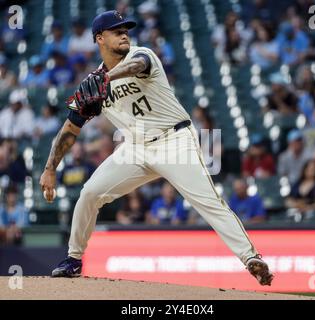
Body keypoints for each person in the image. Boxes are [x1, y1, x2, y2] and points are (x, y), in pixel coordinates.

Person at [40, 10, 273, 285]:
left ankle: (251, 257)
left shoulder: (142, 54)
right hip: (134, 147)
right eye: (117, 31)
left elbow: (135, 66)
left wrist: (108, 78)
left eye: (126, 29)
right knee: (89, 192)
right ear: (100, 38)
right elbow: (70, 129)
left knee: (208, 201)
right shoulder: (92, 84)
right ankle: (74, 259)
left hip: (174, 140)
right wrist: (50, 169)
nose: (124, 33)